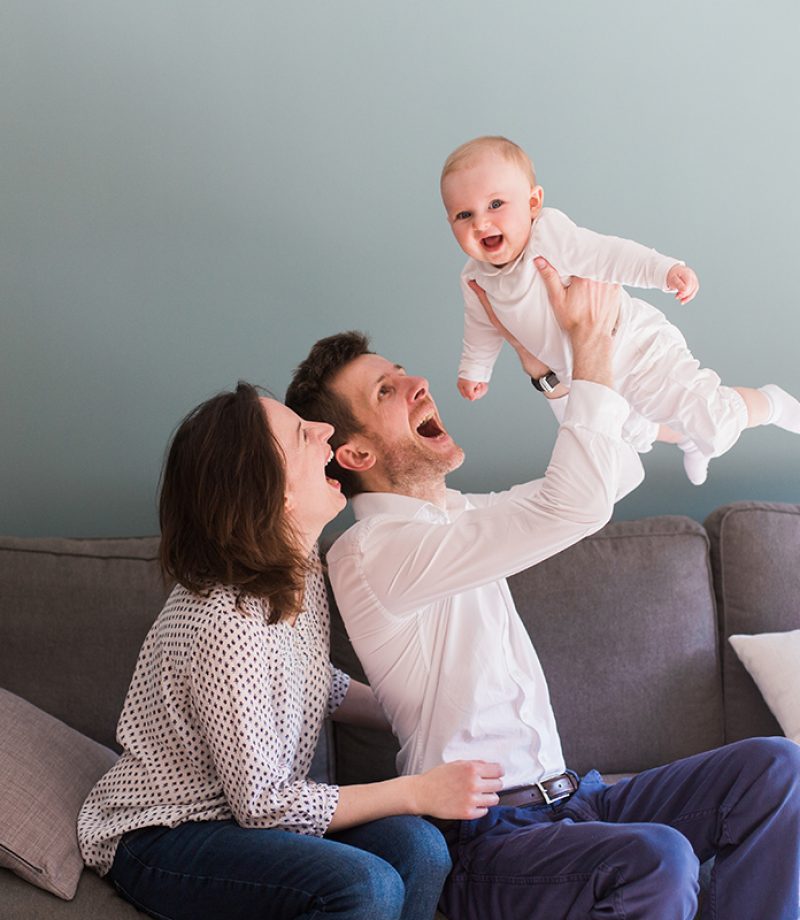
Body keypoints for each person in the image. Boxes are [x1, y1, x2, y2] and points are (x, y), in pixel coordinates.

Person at [285, 264, 800, 920]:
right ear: (355, 455)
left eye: (404, 371)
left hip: (574, 801)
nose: (418, 383)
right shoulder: (374, 553)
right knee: (657, 859)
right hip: (485, 839)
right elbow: (575, 506)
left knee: (778, 772)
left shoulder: (461, 516)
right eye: (388, 390)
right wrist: (588, 346)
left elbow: (613, 475)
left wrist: (546, 370)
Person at [77, 382, 506, 920]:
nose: (325, 429)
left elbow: (312, 682)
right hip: (167, 834)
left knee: (418, 847)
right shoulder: (222, 624)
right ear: (271, 490)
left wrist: (421, 708)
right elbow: (265, 806)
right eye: (305, 434)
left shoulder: (300, 568)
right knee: (365, 886)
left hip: (241, 818)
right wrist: (416, 791)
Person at [441, 134, 800, 485]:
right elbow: (481, 327)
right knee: (636, 435)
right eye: (463, 214)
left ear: (533, 203)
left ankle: (771, 403)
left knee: (713, 422)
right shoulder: (474, 278)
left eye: (495, 205)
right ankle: (691, 442)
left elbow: (610, 255)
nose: (480, 223)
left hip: (635, 350)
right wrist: (475, 370)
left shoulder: (549, 238)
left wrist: (664, 271)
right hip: (586, 375)